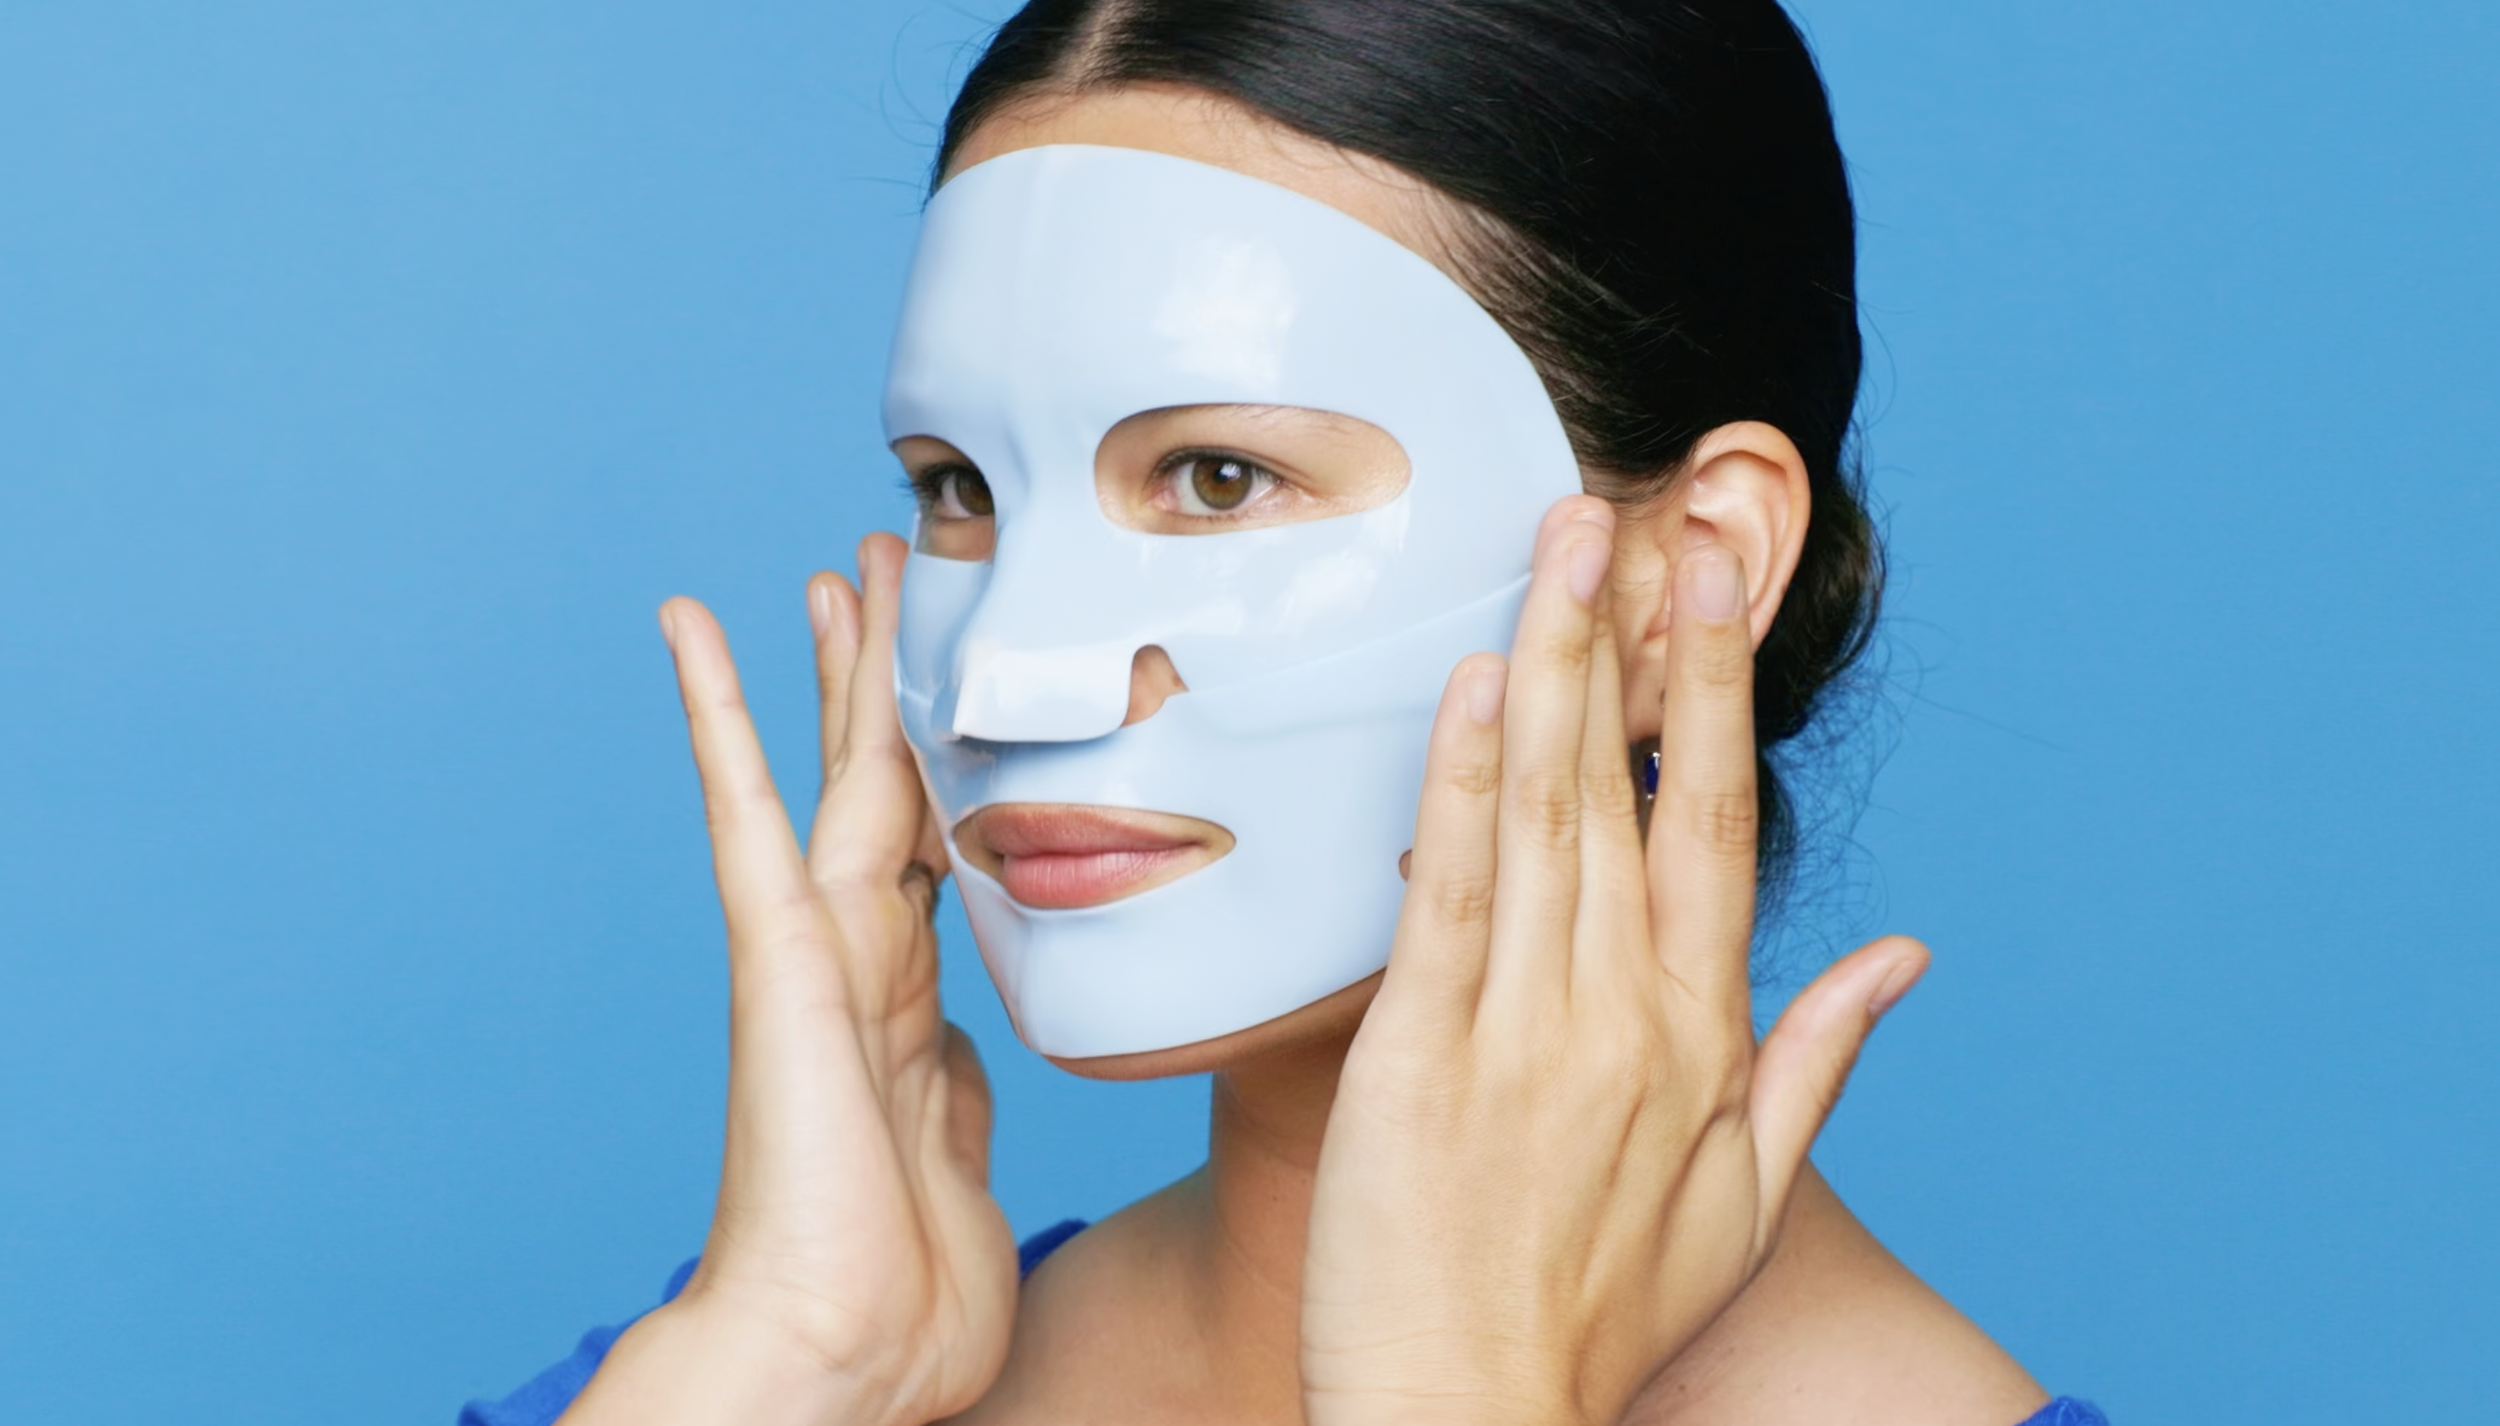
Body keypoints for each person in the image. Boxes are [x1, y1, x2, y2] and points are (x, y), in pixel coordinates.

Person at [465, 2, 2106, 1422]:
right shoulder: (741, 1381)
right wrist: (779, 1355)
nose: (1006, 677)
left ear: (1696, 571)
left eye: (1219, 477)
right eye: (959, 486)